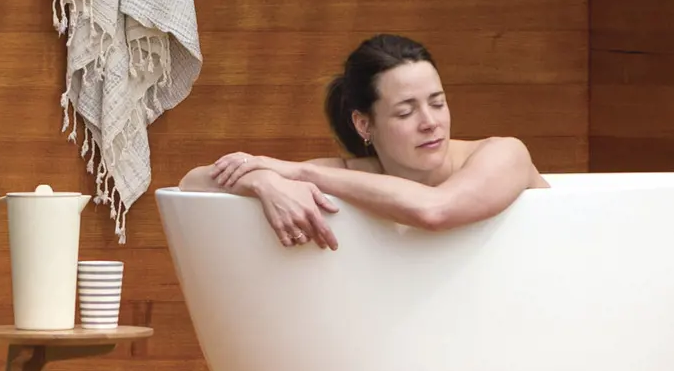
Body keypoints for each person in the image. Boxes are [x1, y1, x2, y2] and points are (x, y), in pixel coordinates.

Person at [177, 33, 543, 249]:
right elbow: (193, 182)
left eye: (437, 103)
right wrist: (264, 181)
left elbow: (435, 210)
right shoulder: (356, 174)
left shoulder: (503, 153)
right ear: (364, 124)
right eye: (406, 112)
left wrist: (299, 172)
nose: (430, 123)